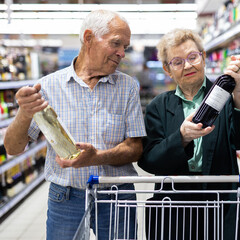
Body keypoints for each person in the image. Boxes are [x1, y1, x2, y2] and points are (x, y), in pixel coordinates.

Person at [4, 10, 146, 240]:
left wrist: (96, 157)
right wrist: (24, 113)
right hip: (65, 199)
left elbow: (135, 148)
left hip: (117, 198)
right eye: (116, 43)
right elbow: (12, 148)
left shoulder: (127, 87)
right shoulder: (48, 86)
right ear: (89, 38)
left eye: (125, 47)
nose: (121, 53)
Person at [138, 28, 240, 239]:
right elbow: (149, 160)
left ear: (203, 58)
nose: (187, 65)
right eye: (177, 62)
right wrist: (182, 137)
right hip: (174, 208)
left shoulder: (224, 96)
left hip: (220, 204)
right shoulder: (159, 106)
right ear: (167, 70)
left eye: (192, 57)